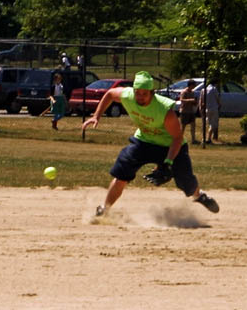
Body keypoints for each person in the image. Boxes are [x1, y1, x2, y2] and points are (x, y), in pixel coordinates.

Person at [82, 71, 219, 217]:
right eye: (137, 93)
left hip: (170, 145)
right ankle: (105, 209)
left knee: (186, 183)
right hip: (144, 141)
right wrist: (97, 115)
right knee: (122, 171)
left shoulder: (163, 110)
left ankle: (199, 196)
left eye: (144, 93)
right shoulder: (128, 96)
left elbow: (177, 138)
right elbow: (110, 94)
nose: (140, 96)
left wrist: (168, 162)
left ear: (152, 93)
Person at [200, 78, 222, 143]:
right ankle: (208, 138)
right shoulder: (214, 89)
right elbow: (217, 98)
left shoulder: (203, 90)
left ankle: (205, 138)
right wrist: (220, 104)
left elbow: (202, 100)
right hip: (214, 108)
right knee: (214, 124)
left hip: (207, 108)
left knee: (208, 123)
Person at [179, 80, 199, 144]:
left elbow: (193, 101)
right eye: (194, 85)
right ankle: (180, 139)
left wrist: (195, 102)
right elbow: (181, 100)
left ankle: (193, 140)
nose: (195, 86)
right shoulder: (184, 91)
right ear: (190, 85)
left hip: (191, 111)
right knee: (183, 126)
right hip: (184, 111)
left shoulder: (192, 92)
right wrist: (191, 100)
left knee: (193, 125)